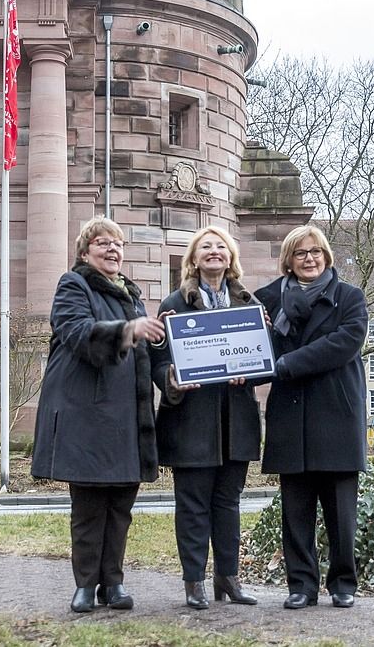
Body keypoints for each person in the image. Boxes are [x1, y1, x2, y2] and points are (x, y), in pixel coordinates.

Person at [31, 216, 166, 614]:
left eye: (118, 244)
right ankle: (86, 585)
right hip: (87, 415)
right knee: (89, 507)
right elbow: (76, 332)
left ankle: (115, 583)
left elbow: (149, 352)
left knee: (121, 506)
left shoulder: (133, 295)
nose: (113, 250)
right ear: (85, 251)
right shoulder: (73, 284)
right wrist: (128, 330)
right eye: (103, 243)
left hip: (127, 415)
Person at [254, 225, 368, 610]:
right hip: (291, 416)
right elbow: (254, 348)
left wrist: (285, 363)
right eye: (300, 253)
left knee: (341, 513)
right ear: (289, 259)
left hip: (336, 414)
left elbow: (343, 344)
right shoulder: (267, 300)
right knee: (295, 511)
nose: (309, 258)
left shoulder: (349, 297)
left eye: (316, 251)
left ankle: (342, 583)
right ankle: (301, 585)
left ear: (326, 256)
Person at [150, 226, 261, 610]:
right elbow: (158, 361)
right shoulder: (174, 304)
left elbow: (266, 359)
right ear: (194, 260)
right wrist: (171, 378)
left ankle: (228, 579)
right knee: (193, 505)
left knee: (228, 504)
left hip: (236, 422)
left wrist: (254, 369)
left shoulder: (249, 302)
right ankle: (194, 581)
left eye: (221, 247)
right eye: (205, 247)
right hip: (191, 423)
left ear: (230, 258)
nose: (214, 252)